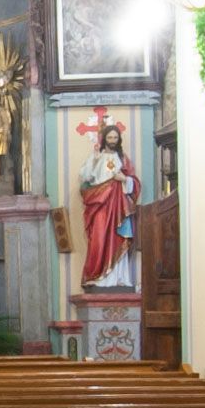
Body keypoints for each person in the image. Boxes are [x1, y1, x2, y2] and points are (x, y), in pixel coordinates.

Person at [79, 122, 141, 288]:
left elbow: (135, 182)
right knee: (99, 240)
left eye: (115, 137)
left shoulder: (123, 159)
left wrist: (125, 179)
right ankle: (99, 277)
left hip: (119, 207)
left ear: (118, 139)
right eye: (110, 137)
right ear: (104, 139)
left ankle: (119, 278)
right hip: (100, 204)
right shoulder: (96, 157)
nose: (112, 140)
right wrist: (94, 160)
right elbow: (85, 178)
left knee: (118, 238)